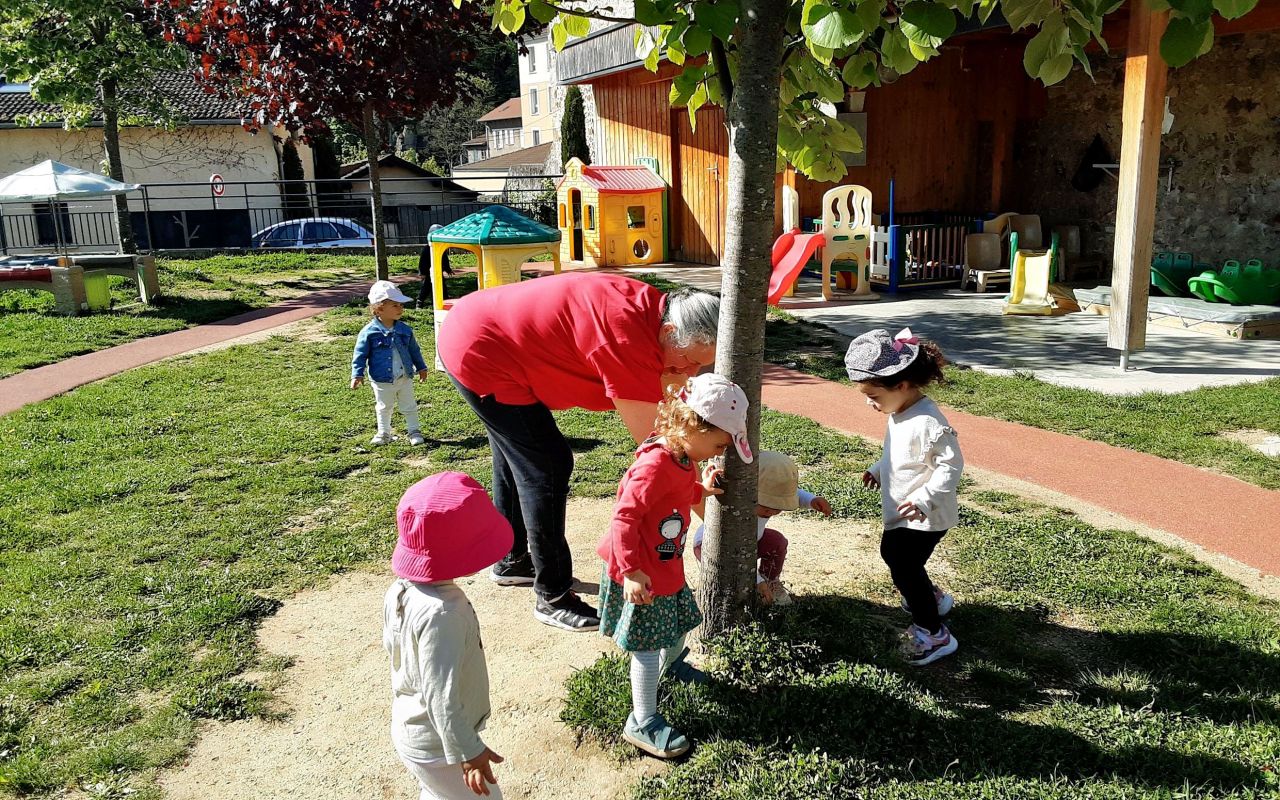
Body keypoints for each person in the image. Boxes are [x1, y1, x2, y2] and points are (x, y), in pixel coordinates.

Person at [437, 273, 720, 633]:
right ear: (669, 332)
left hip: (482, 330)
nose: (690, 373)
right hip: (481, 351)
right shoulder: (624, 340)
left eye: (700, 365)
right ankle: (553, 596)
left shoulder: (661, 314)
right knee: (546, 465)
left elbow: (669, 399)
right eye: (688, 361)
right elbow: (666, 450)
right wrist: (715, 525)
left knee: (517, 455)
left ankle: (512, 560)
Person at [597, 373, 751, 759]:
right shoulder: (654, 464)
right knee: (647, 649)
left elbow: (675, 493)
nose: (721, 451)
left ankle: (674, 666)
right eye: (719, 443)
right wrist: (631, 571)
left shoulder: (681, 457)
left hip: (663, 567)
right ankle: (642, 720)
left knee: (678, 627)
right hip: (642, 572)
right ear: (694, 425)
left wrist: (702, 489)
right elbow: (624, 517)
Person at [382, 471, 512, 798]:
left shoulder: (400, 589)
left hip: (413, 728)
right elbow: (440, 696)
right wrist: (468, 751)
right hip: (438, 744)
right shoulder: (444, 613)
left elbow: (392, 647)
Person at [845, 327, 964, 666]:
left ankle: (934, 633)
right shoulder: (901, 412)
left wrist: (926, 498)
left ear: (902, 385)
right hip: (906, 510)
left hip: (925, 514)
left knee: (902, 562)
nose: (870, 403)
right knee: (901, 560)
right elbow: (900, 454)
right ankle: (930, 598)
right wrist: (879, 469)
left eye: (874, 396)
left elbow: (951, 466)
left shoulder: (928, 422)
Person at [691, 450, 833, 606]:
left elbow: (792, 495)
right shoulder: (735, 500)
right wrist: (756, 581)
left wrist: (812, 500)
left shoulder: (766, 497)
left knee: (777, 542)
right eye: (766, 506)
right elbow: (735, 555)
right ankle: (742, 592)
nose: (771, 512)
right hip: (713, 546)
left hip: (751, 542)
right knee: (731, 580)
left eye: (778, 507)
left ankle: (770, 581)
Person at [352, 280, 430, 446]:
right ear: (379, 308)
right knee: (384, 406)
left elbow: (414, 350)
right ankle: (383, 433)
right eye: (395, 305)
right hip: (381, 379)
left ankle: (414, 431)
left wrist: (421, 367)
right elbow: (360, 355)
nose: (400, 308)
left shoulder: (405, 330)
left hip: (404, 376)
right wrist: (357, 374)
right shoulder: (368, 333)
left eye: (401, 305)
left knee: (409, 405)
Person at [417, 224, 455, 310]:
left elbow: (445, 260)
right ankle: (419, 302)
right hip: (428, 273)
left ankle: (445, 300)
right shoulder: (427, 249)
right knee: (426, 288)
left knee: (442, 286)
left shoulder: (442, 249)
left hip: (438, 272)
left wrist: (448, 269)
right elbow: (422, 262)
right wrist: (422, 272)